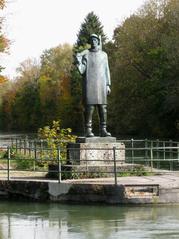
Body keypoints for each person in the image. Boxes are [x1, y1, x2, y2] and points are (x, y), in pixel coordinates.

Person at [76, 33, 111, 137]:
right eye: (91, 40)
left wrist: (108, 84)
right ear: (90, 42)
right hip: (90, 84)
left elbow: (106, 69)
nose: (93, 42)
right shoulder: (86, 54)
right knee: (89, 107)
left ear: (98, 41)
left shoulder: (104, 55)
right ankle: (88, 130)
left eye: (95, 40)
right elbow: (82, 71)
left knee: (103, 107)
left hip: (102, 84)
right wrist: (78, 61)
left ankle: (103, 129)